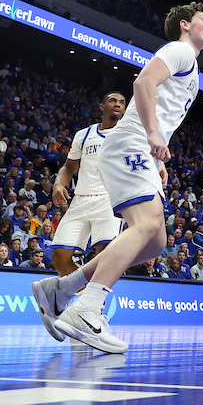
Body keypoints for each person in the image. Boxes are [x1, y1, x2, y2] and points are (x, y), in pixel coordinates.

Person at [31, 2, 203, 353]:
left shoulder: (190, 65)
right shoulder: (179, 50)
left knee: (156, 241)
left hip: (138, 148)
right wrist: (151, 134)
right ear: (186, 25)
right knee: (146, 225)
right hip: (132, 142)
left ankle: (61, 290)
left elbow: (163, 106)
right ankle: (87, 308)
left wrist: (157, 151)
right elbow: (143, 82)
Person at [48, 92, 127, 276]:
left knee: (106, 255)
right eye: (112, 100)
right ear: (102, 107)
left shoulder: (127, 133)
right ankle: (86, 296)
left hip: (109, 199)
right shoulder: (84, 134)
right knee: (59, 257)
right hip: (81, 198)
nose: (117, 104)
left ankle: (93, 301)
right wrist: (58, 184)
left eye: (122, 102)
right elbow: (68, 167)